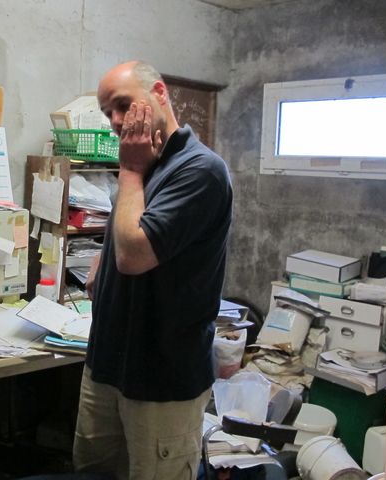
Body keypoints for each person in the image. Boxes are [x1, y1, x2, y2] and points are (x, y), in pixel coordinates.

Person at [73, 61, 233, 480]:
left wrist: (128, 170)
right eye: (107, 112)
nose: (115, 121)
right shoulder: (147, 163)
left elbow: (135, 256)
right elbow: (128, 234)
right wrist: (103, 258)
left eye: (123, 105)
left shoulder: (200, 171)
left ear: (159, 93)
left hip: (162, 382)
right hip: (107, 368)